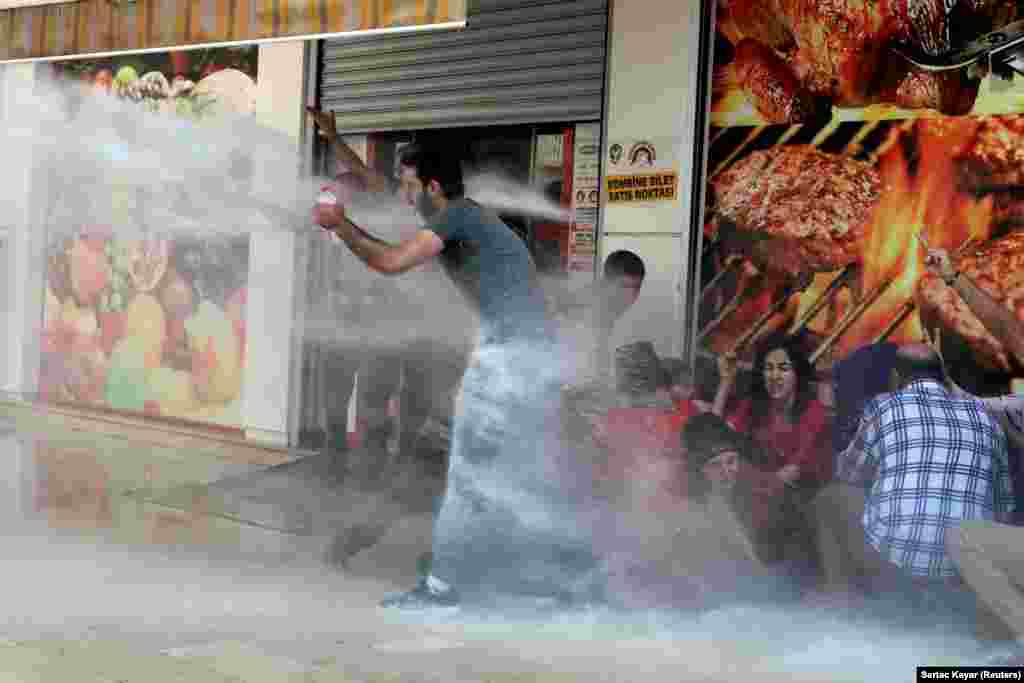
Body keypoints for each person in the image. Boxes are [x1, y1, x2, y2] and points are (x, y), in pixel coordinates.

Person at [312, 128, 588, 610]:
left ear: (435, 188)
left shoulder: (457, 217)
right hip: (522, 358)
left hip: (509, 358)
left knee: (463, 469)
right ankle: (552, 577)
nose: (403, 194)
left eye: (411, 186)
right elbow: (378, 188)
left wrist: (339, 225)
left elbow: (392, 261)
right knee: (491, 467)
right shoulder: (471, 218)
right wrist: (334, 140)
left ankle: (443, 585)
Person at [812, 344, 1013, 621]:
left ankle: (845, 609)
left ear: (896, 377)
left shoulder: (883, 406)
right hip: (966, 570)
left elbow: (849, 475)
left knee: (830, 498)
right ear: (943, 377)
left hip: (898, 565)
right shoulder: (984, 416)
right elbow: (1004, 505)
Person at [713, 332, 832, 492]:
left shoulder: (813, 413)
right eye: (768, 368)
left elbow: (788, 476)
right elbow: (712, 435)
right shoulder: (755, 404)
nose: (774, 376)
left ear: (797, 374)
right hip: (757, 494)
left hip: (798, 502)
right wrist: (726, 381)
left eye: (783, 368)